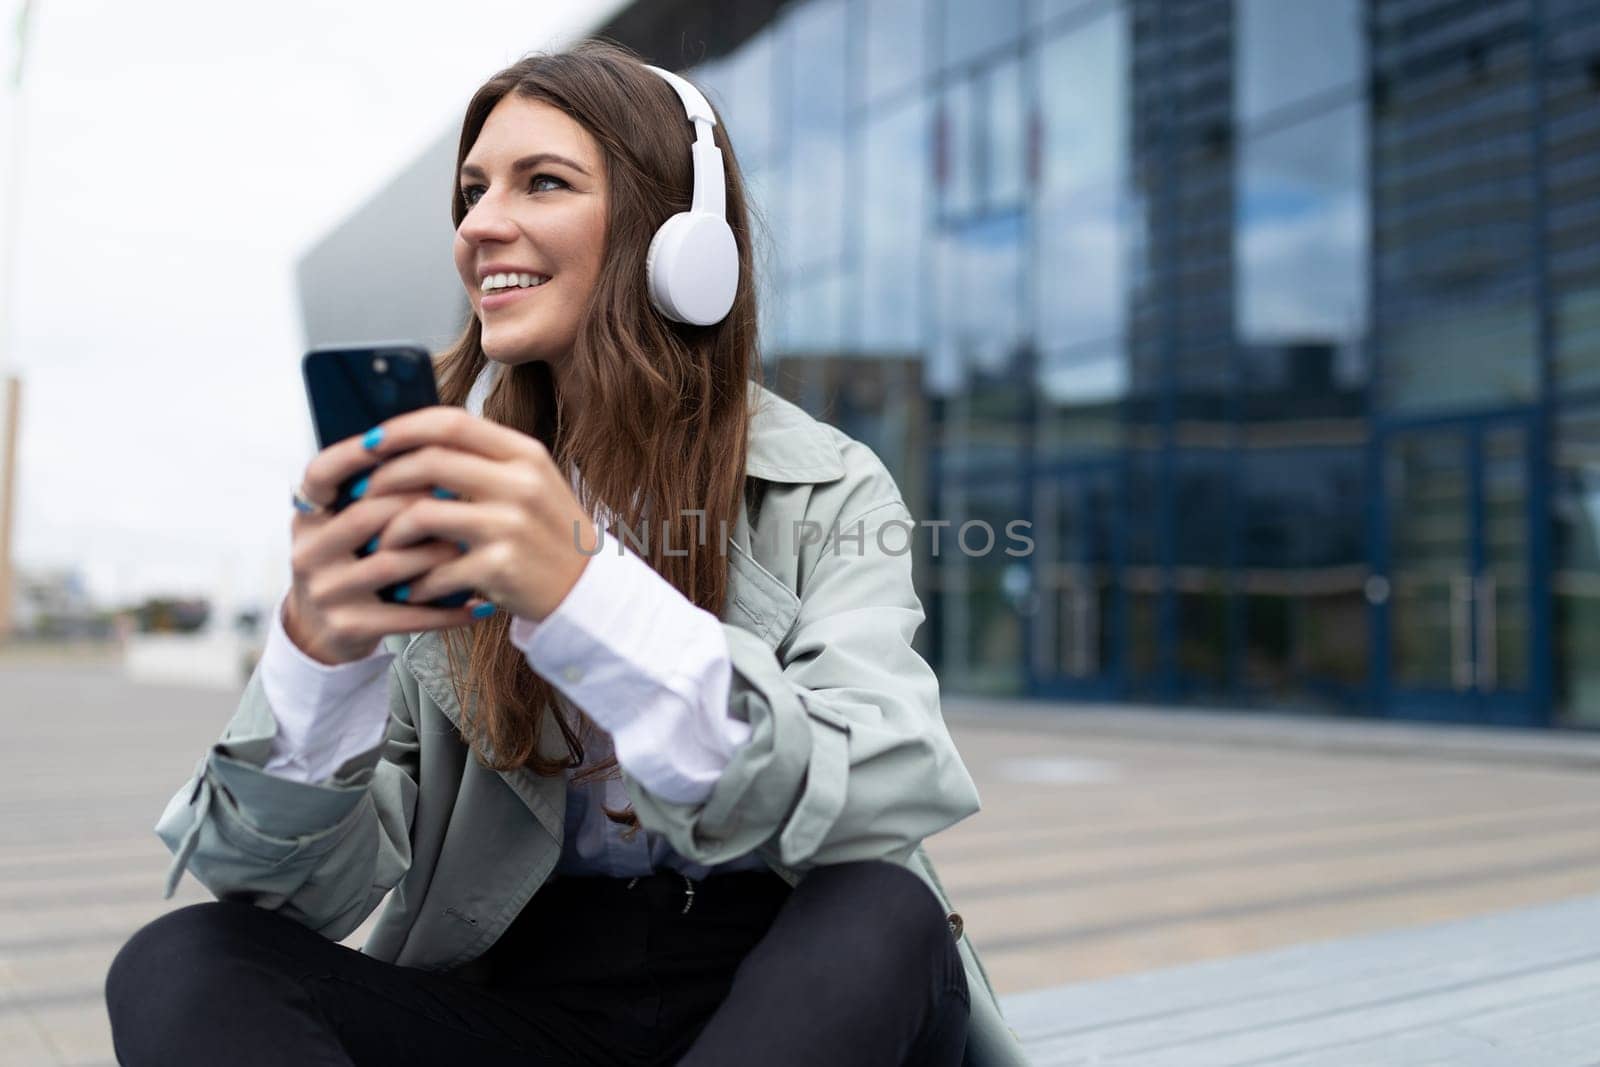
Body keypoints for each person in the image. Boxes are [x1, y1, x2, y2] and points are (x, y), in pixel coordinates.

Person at [103, 39, 1029, 1067]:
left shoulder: (827, 484)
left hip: (793, 980)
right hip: (529, 995)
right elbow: (295, 893)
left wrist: (584, 594)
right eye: (471, 190)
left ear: (681, 237)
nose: (480, 224)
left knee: (882, 906)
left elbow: (884, 786)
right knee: (184, 956)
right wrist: (321, 658)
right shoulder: (446, 500)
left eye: (542, 182)